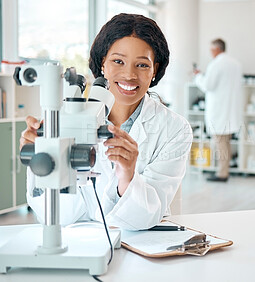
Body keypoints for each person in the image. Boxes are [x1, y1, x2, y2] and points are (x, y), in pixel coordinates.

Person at [20, 14, 193, 230]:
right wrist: (44, 160)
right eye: (118, 61)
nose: (129, 75)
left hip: (141, 243)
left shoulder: (174, 129)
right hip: (82, 242)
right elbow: (56, 215)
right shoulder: (67, 119)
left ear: (155, 70)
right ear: (103, 62)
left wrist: (127, 176)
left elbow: (147, 216)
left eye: (142, 65)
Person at [194, 38, 243, 182]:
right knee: (225, 142)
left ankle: (222, 173)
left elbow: (208, 85)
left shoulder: (216, 64)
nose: (210, 52)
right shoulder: (235, 64)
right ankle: (224, 170)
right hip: (230, 109)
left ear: (216, 49)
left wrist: (198, 77)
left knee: (220, 142)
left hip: (219, 110)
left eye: (211, 49)